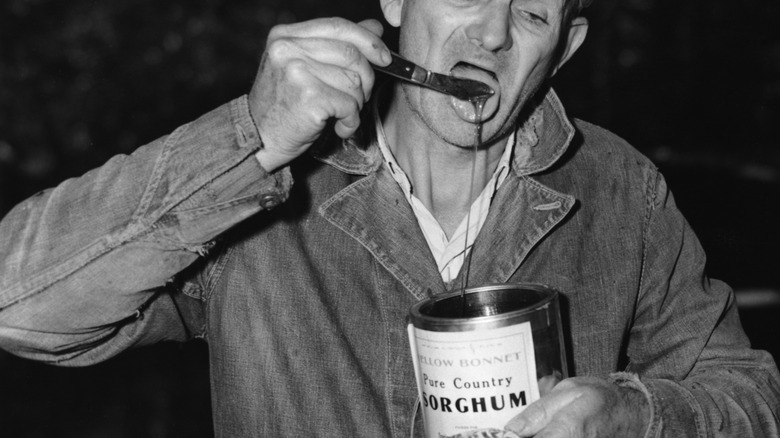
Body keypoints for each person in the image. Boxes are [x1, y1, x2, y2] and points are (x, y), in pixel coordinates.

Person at [1, 0, 778, 436]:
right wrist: (251, 141)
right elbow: (22, 306)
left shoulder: (620, 189)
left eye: (534, 13)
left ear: (566, 47)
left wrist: (635, 420)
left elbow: (749, 396)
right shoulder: (264, 183)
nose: (496, 34)